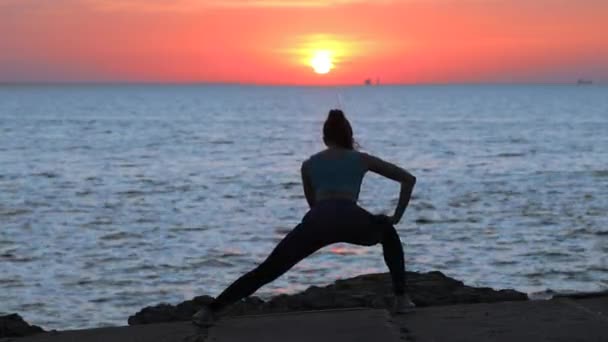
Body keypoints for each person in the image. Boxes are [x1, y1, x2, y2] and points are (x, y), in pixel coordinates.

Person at [192, 109, 417, 326]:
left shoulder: (308, 165)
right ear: (349, 135)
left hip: (318, 219)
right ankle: (401, 298)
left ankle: (210, 311)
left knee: (268, 269)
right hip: (351, 217)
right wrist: (395, 216)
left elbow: (314, 205)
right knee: (388, 232)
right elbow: (408, 179)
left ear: (324, 137)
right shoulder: (361, 159)